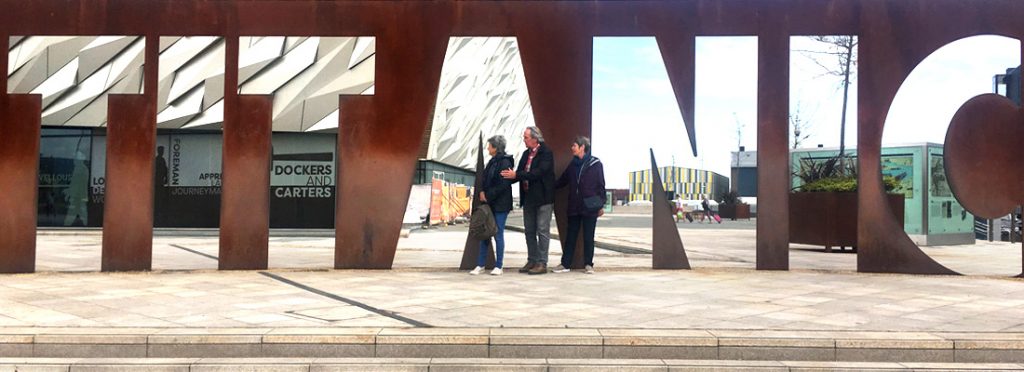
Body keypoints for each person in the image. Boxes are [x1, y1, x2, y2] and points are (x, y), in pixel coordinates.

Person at [501, 126, 555, 275]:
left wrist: (517, 174)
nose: (523, 140)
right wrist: (507, 175)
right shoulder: (526, 154)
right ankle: (532, 259)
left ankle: (542, 262)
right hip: (529, 198)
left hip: (543, 198)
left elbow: (538, 173)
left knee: (542, 230)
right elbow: (519, 174)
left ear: (534, 138)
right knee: (529, 231)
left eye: (525, 137)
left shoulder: (546, 153)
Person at [551, 136, 605, 274]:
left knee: (588, 236)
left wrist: (601, 205)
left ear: (582, 147)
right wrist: (548, 185)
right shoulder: (572, 164)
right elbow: (563, 181)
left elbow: (601, 185)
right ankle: (565, 264)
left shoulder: (596, 164)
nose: (572, 148)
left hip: (589, 206)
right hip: (574, 206)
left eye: (574, 145)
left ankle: (588, 264)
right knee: (571, 236)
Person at [470, 135, 514, 276]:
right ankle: (480, 264)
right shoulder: (492, 162)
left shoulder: (505, 162)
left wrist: (487, 195)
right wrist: (482, 191)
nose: (488, 148)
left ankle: (499, 265)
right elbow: (484, 179)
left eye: (489, 146)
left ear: (495, 147)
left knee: (497, 233)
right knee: (485, 233)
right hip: (489, 204)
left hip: (501, 205)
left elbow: (503, 184)